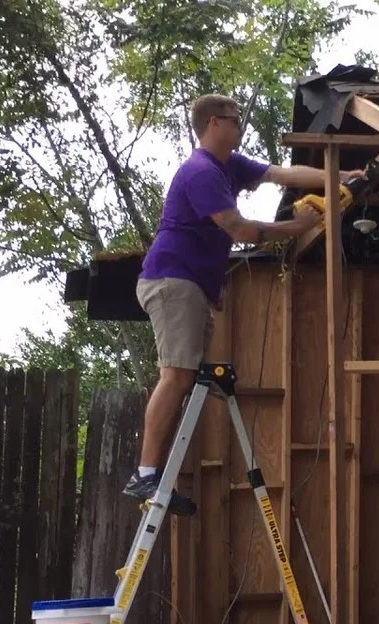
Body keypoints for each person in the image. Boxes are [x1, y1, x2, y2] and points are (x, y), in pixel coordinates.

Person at [125, 93, 365, 514]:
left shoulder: (229, 166)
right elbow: (237, 229)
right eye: (235, 120)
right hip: (173, 281)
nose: (241, 127)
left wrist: (339, 176)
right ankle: (145, 476)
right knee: (176, 376)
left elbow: (283, 173)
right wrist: (297, 226)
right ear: (214, 123)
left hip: (190, 287)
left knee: (185, 378)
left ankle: (153, 473)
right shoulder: (201, 172)